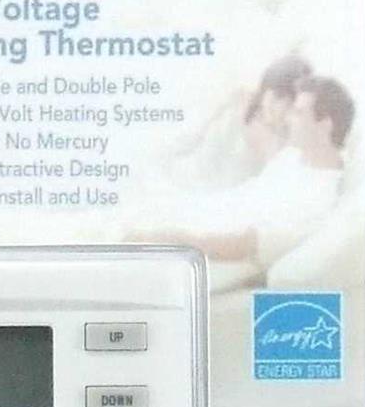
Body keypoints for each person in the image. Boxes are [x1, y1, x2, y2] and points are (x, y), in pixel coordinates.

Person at [151, 75, 354, 268]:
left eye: (298, 113)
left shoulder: (318, 196)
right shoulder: (293, 156)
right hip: (201, 212)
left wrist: (170, 239)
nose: (288, 118)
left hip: (203, 243)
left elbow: (243, 244)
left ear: (325, 125)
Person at [167, 55, 311, 187]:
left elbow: (278, 183)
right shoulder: (240, 104)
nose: (275, 106)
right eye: (275, 96)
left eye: (287, 102)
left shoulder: (289, 143)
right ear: (265, 89)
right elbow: (199, 137)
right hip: (194, 174)